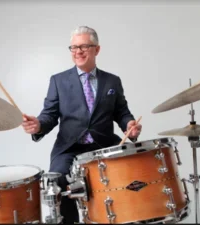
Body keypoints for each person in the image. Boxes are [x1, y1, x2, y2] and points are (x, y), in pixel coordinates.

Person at [22, 25, 142, 224]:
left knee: (133, 171)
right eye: (74, 47)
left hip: (105, 144)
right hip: (70, 146)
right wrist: (39, 126)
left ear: (97, 49)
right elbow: (49, 115)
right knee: (59, 179)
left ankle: (121, 218)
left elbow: (121, 111)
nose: (78, 51)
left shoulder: (112, 81)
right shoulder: (58, 81)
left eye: (84, 46)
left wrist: (129, 124)